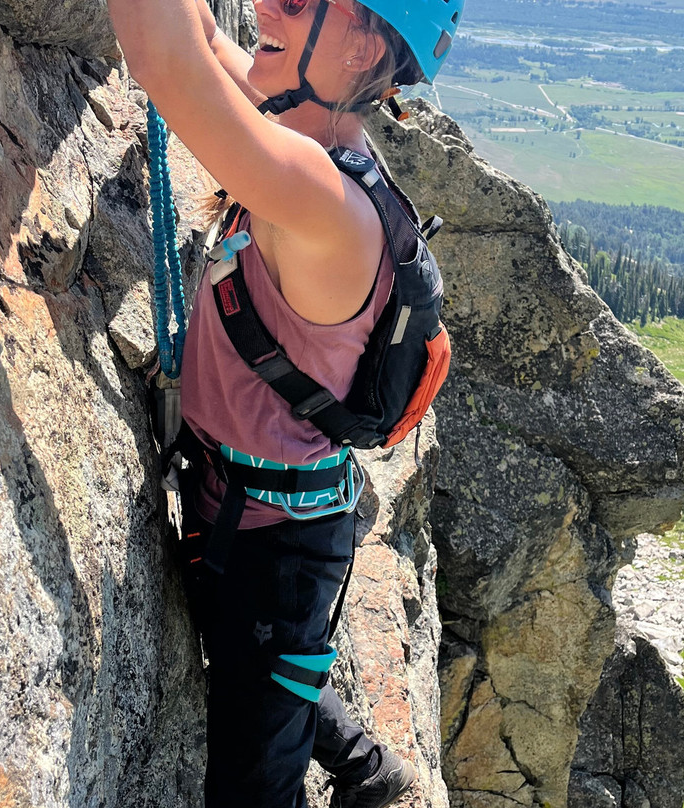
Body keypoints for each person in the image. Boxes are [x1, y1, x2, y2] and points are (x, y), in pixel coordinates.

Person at [107, 0, 461, 805]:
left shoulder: (320, 198)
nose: (265, 3)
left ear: (362, 45)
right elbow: (201, 38)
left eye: (298, 1)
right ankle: (366, 766)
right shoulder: (306, 130)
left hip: (275, 549)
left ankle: (357, 765)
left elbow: (164, 63)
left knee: (254, 784)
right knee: (263, 663)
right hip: (256, 512)